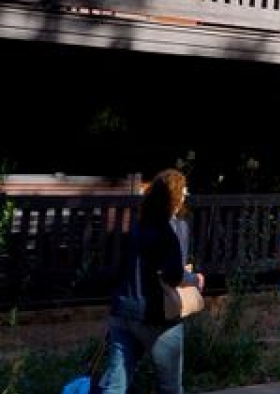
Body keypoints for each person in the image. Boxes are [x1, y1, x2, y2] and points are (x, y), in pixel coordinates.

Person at [99, 169, 197, 394]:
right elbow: (173, 275)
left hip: (123, 311)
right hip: (156, 317)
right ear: (175, 196)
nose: (185, 195)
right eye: (183, 191)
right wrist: (193, 279)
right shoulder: (172, 229)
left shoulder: (137, 227)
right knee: (169, 387)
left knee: (115, 385)